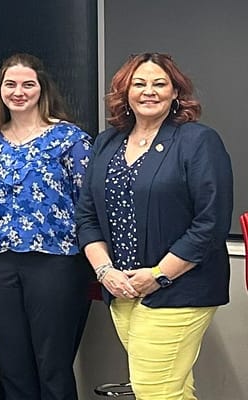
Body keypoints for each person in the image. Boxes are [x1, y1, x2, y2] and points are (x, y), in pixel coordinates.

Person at [79, 52, 233, 399]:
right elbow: (87, 217)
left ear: (176, 93)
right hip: (121, 290)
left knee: (152, 391)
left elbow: (210, 223)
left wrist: (158, 275)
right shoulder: (107, 142)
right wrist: (105, 272)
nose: (149, 91)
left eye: (160, 83)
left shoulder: (197, 141)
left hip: (179, 288)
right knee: (171, 390)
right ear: (125, 93)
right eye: (140, 83)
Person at [0, 53, 91, 400]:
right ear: (0, 91)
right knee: (12, 368)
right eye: (11, 84)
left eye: (28, 84)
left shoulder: (71, 140)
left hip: (56, 262)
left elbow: (87, 204)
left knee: (52, 367)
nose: (18, 92)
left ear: (42, 89)